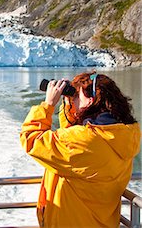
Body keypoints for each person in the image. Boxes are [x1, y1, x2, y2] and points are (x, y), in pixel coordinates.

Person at [20, 72, 140, 227]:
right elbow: (72, 138)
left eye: (77, 96)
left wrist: (48, 105)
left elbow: (31, 139)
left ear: (89, 101)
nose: (74, 98)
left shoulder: (84, 140)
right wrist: (69, 103)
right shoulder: (122, 134)